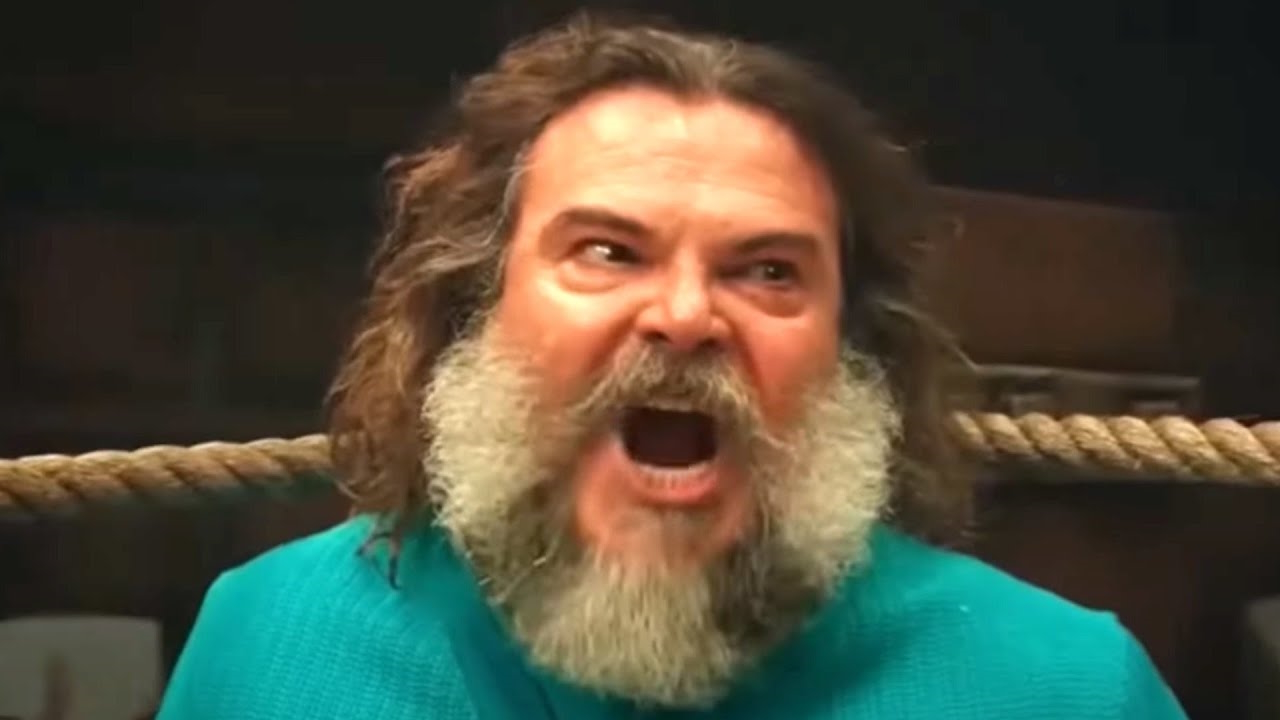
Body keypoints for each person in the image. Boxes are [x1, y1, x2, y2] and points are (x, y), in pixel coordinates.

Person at [157, 14, 1186, 719]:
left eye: (768, 271)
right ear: (475, 305)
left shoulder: (1060, 688)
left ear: (853, 349)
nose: (687, 316)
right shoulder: (275, 640)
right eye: (608, 251)